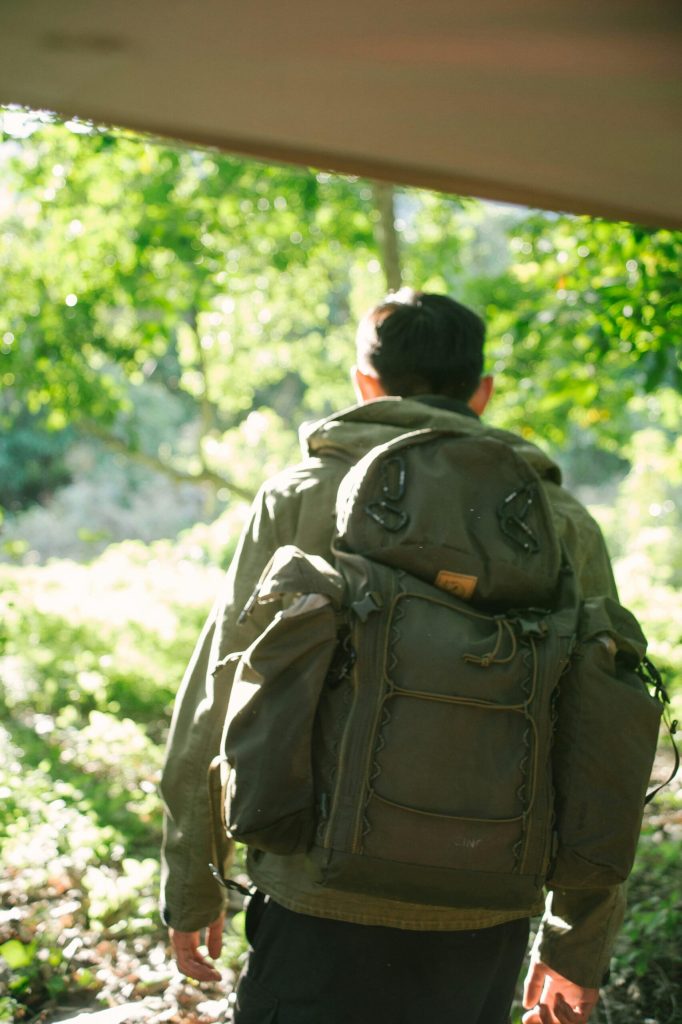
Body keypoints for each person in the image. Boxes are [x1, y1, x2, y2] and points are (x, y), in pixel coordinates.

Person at [161, 290, 622, 1024]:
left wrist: (192, 881)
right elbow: (602, 731)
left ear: (364, 383)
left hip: (315, 892)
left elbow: (220, 690)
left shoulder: (300, 495)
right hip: (487, 904)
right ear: (482, 391)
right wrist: (578, 939)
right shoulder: (557, 519)